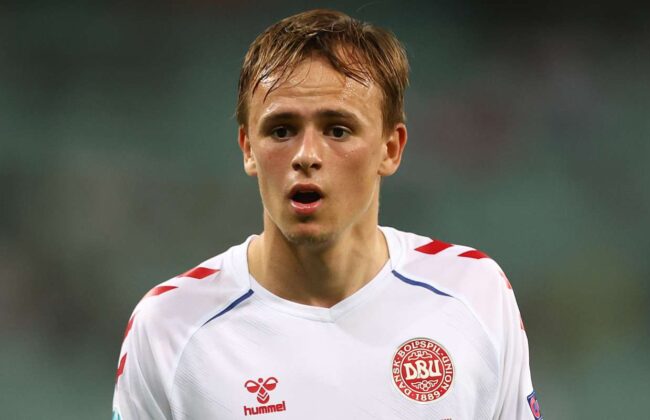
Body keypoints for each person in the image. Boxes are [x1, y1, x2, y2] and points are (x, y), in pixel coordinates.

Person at [113, 9, 542, 420]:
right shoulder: (170, 326)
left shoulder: (473, 293)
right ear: (248, 148)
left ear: (391, 148)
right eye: (281, 130)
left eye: (338, 129)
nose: (306, 155)